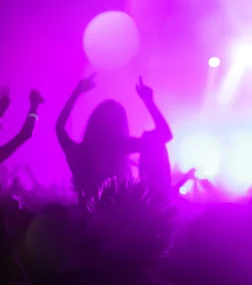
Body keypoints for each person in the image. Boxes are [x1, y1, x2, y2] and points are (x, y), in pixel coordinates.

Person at [55, 75, 173, 207]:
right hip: (119, 221)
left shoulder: (79, 152)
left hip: (85, 220)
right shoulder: (122, 147)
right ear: (121, 125)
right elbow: (164, 135)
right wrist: (149, 102)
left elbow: (59, 128)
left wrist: (76, 93)